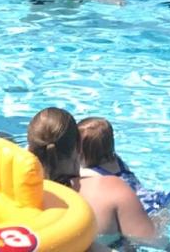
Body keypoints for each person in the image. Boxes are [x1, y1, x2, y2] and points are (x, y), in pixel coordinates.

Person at [26, 108, 113, 252]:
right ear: (79, 147)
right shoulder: (108, 189)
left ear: (30, 149)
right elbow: (154, 241)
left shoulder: (9, 189)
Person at [78, 117, 170, 220]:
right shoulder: (118, 161)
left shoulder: (88, 173)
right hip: (152, 198)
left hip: (137, 210)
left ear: (82, 152)